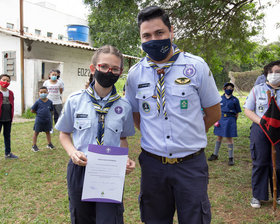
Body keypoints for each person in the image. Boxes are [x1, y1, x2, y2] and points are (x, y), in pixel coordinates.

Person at [125, 6, 221, 224]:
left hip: (191, 165)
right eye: (146, 36)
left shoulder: (196, 66)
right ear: (140, 38)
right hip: (152, 166)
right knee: (154, 219)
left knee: (195, 218)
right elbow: (136, 115)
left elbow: (214, 111)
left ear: (171, 32)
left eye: (159, 33)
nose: (153, 39)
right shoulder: (134, 75)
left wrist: (191, 132)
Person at [55, 45, 136, 223]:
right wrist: (72, 152)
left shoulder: (124, 106)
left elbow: (122, 138)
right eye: (104, 66)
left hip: (111, 171)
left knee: (110, 219)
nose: (109, 72)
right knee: (81, 218)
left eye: (115, 69)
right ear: (93, 69)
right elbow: (64, 134)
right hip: (81, 168)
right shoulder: (75, 100)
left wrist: (125, 159)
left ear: (120, 72)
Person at [244, 60, 280, 209]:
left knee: (278, 164)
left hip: (278, 130)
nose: (274, 75)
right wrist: (262, 122)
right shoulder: (257, 89)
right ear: (266, 74)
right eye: (271, 72)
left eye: (277, 72)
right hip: (260, 128)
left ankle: (278, 195)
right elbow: (248, 110)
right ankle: (258, 196)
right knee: (260, 162)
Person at [208, 82, 242, 166]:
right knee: (219, 137)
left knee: (229, 138)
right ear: (224, 89)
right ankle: (215, 154)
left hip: (230, 119)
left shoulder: (235, 100)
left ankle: (231, 158)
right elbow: (216, 110)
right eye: (228, 88)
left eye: (231, 88)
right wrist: (216, 120)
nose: (229, 89)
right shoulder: (219, 98)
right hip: (221, 119)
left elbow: (237, 113)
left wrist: (233, 121)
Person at [31, 86, 55, 152]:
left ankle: (49, 144)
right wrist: (38, 113)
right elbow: (32, 110)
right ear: (39, 93)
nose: (43, 93)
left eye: (45, 92)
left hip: (47, 120)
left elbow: (51, 110)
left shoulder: (50, 102)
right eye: (41, 92)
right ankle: (34, 145)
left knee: (48, 132)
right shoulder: (37, 102)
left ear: (48, 92)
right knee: (36, 132)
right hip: (39, 120)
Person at [0, 74, 18, 159]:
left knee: (7, 136)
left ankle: (8, 153)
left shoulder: (10, 93)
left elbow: (12, 104)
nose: (5, 82)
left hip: (8, 118)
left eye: (8, 81)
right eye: (4, 80)